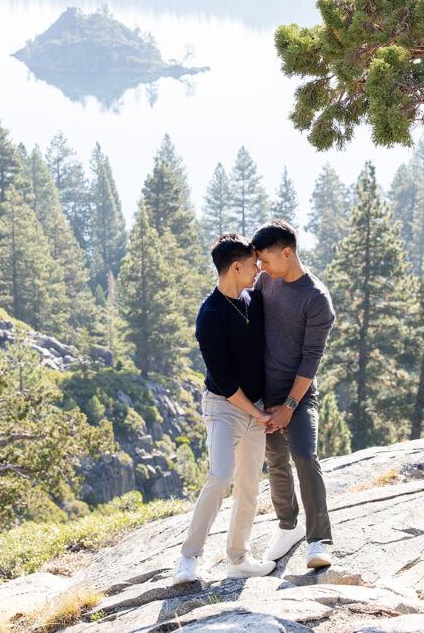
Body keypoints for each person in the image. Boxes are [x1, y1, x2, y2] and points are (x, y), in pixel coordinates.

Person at [172, 234, 276, 584]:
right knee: (220, 477)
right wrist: (258, 414)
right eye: (252, 264)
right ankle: (188, 558)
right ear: (235, 267)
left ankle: (238, 557)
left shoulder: (253, 300)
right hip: (224, 407)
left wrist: (264, 408)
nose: (258, 268)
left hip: (256, 407)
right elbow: (226, 382)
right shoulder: (210, 316)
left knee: (249, 484)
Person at [251, 219, 336, 569]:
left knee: (303, 455)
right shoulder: (265, 279)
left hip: (297, 397)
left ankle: (319, 541)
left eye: (265, 260)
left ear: (287, 253)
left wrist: (288, 406)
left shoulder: (317, 299)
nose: (260, 267)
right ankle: (288, 526)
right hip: (261, 394)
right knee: (275, 461)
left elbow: (310, 361)